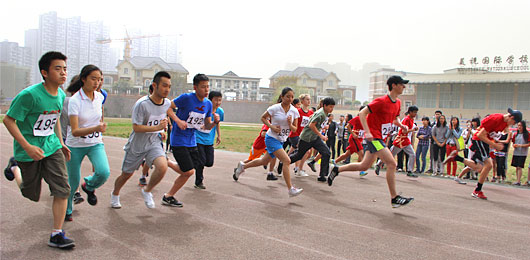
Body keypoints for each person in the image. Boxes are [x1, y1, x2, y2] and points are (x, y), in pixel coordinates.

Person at [3, 51, 75, 248]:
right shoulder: (29, 95)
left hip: (51, 147)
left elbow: (55, 120)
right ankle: (15, 167)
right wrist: (27, 146)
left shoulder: (60, 94)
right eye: (57, 68)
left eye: (65, 69)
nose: (63, 73)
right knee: (30, 194)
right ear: (44, 72)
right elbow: (8, 120)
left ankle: (56, 234)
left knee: (63, 189)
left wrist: (60, 143)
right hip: (28, 150)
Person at [327, 75, 414, 208]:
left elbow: (395, 119)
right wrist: (367, 131)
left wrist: (402, 126)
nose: (404, 87)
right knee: (392, 164)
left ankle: (337, 169)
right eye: (402, 84)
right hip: (374, 137)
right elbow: (362, 113)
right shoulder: (381, 101)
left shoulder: (398, 103)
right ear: (394, 85)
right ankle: (394, 198)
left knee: (364, 166)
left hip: (380, 138)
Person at [110, 71, 174, 209]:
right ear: (154, 85)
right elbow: (136, 127)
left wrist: (162, 131)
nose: (167, 89)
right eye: (164, 86)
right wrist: (157, 127)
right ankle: (115, 193)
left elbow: (161, 119)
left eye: (169, 86)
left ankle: (147, 191)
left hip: (154, 143)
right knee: (126, 174)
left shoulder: (167, 103)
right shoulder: (142, 104)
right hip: (137, 144)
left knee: (162, 167)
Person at [233, 87, 303, 197]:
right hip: (271, 138)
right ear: (282, 96)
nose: (290, 99)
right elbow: (263, 118)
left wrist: (290, 124)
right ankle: (291, 189)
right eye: (287, 96)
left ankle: (242, 167)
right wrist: (272, 127)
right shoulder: (275, 108)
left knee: (264, 161)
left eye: (292, 97)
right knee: (287, 160)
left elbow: (295, 129)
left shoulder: (294, 111)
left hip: (281, 140)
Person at [163, 74, 220, 206]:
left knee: (191, 169)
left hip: (192, 140)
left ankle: (167, 164)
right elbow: (168, 108)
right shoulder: (186, 98)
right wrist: (177, 120)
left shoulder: (208, 104)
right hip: (178, 139)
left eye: (207, 87)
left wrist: (215, 122)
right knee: (188, 171)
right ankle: (168, 195)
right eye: (203, 87)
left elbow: (206, 125)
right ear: (195, 87)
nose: (206, 90)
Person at [64, 65, 110, 221]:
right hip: (75, 145)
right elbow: (75, 130)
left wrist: (100, 128)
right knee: (72, 182)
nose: (97, 82)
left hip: (95, 143)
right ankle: (67, 210)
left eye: (99, 79)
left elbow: (100, 117)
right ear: (83, 79)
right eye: (93, 79)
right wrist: (96, 127)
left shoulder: (99, 97)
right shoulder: (75, 100)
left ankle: (89, 186)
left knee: (104, 172)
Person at [445, 109, 522, 200]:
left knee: (479, 168)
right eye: (514, 122)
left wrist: (499, 139)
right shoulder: (495, 119)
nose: (512, 125)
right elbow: (481, 135)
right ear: (511, 117)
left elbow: (500, 130)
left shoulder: (505, 123)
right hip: (479, 140)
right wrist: (495, 145)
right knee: (489, 165)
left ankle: (456, 158)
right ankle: (477, 190)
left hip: (484, 142)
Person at [277, 97, 335, 182]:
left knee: (326, 152)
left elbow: (313, 118)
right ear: (324, 106)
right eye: (330, 107)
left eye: (333, 107)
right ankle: (283, 162)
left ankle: (322, 175)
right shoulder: (321, 114)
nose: (332, 109)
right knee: (299, 155)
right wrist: (321, 135)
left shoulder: (324, 113)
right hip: (306, 138)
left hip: (314, 138)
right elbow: (311, 125)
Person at [376, 105, 419, 177]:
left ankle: (410, 170)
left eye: (416, 112)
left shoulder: (411, 120)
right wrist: (413, 130)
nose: (415, 114)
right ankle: (378, 164)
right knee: (391, 155)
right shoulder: (406, 119)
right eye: (414, 112)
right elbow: (404, 131)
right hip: (400, 140)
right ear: (410, 112)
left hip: (405, 140)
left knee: (412, 154)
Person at [194, 91, 224, 189]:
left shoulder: (220, 111)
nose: (218, 102)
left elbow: (217, 123)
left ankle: (194, 162)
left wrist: (219, 135)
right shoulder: (203, 109)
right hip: (198, 138)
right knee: (201, 161)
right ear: (210, 100)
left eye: (220, 100)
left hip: (209, 140)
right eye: (216, 100)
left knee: (209, 162)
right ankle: (199, 182)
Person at [334, 106, 367, 177]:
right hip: (354, 139)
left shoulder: (367, 119)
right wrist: (353, 133)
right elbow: (348, 126)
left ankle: (334, 161)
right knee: (361, 153)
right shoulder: (357, 118)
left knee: (347, 154)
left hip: (359, 139)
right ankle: (361, 170)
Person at [287, 94, 313, 177]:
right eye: (307, 99)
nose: (309, 101)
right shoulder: (297, 111)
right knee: (306, 151)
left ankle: (282, 163)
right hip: (295, 134)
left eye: (309, 99)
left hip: (303, 136)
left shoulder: (311, 113)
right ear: (302, 101)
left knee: (291, 153)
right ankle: (299, 169)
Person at [454, 117, 481, 184]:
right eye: (473, 122)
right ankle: (460, 176)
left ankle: (474, 176)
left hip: (478, 149)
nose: (473, 123)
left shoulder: (479, 129)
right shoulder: (472, 130)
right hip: (472, 148)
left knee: (476, 165)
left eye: (475, 122)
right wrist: (470, 130)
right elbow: (472, 136)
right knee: (471, 164)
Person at [511, 121, 529, 185]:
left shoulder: (527, 134)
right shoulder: (516, 134)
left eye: (520, 126)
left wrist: (521, 145)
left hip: (523, 153)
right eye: (518, 125)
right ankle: (517, 179)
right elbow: (513, 142)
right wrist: (514, 145)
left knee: (519, 167)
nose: (519, 127)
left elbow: (528, 144)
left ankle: (518, 181)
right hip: (516, 152)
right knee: (516, 166)